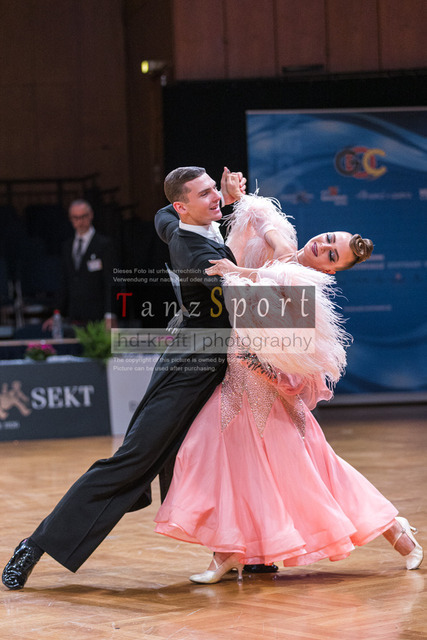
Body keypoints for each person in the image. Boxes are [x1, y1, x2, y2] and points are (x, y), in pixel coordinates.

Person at [154, 193, 423, 583]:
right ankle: (229, 551)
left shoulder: (304, 290)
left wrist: (261, 364)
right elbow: (264, 222)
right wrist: (238, 197)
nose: (323, 247)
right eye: (328, 239)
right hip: (234, 389)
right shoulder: (281, 251)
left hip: (272, 402)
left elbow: (298, 373)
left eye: (332, 255)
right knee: (207, 458)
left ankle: (398, 533)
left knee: (321, 480)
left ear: (331, 271)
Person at [1, 166, 245, 591]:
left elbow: (161, 215)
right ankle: (34, 545)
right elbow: (245, 299)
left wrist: (226, 202)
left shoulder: (175, 222)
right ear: (183, 206)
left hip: (212, 364)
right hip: (190, 369)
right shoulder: (198, 256)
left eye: (214, 190)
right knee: (133, 460)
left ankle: (252, 552)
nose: (215, 198)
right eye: (205, 194)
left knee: (242, 455)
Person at [43, 199, 116, 331]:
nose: (80, 221)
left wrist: (110, 314)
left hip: (97, 314)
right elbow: (64, 282)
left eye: (83, 216)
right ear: (70, 219)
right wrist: (57, 313)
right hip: (75, 315)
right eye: (75, 218)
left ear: (91, 215)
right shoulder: (67, 246)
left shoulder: (104, 245)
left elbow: (110, 281)